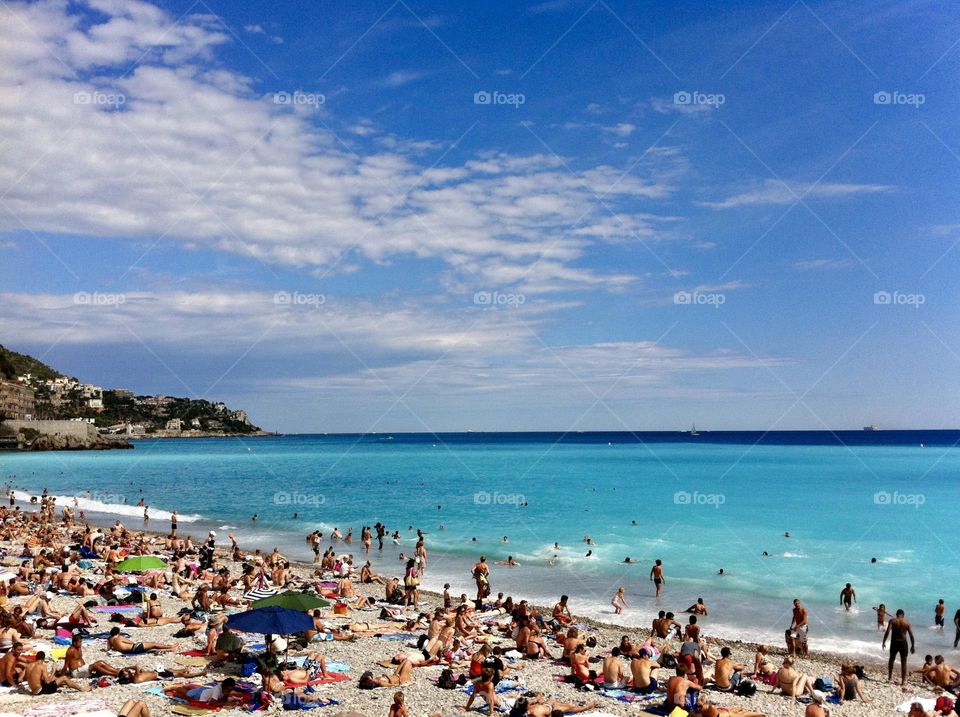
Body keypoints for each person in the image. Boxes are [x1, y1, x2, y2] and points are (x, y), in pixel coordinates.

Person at [24, 651, 91, 694]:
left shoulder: (28, 666)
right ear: (44, 659)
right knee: (64, 678)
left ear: (36, 658)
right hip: (40, 691)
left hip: (33, 690)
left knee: (54, 678)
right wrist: (53, 670)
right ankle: (82, 689)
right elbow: (47, 682)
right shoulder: (42, 666)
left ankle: (68, 683)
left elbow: (21, 678)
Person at [883, 608, 916, 687]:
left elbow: (887, 631)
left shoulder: (892, 621)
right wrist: (913, 646)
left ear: (896, 614)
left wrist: (883, 642)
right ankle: (903, 682)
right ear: (903, 615)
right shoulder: (907, 622)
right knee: (904, 662)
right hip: (903, 643)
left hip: (894, 642)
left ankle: (890, 677)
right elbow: (911, 635)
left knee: (891, 659)